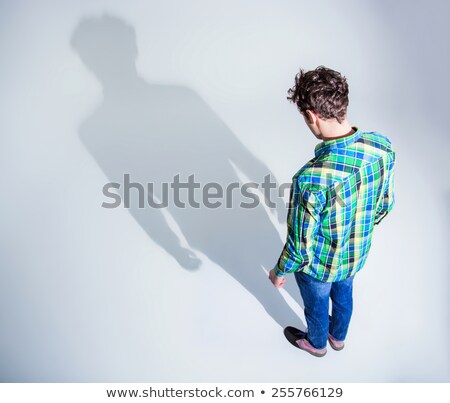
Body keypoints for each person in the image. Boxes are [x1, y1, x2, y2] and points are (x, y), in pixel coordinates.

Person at [268, 66, 396, 357]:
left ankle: (316, 343)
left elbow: (300, 249)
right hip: (356, 253)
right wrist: (357, 228)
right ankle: (338, 337)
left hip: (319, 267)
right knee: (344, 295)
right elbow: (385, 204)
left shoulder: (311, 179)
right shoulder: (382, 147)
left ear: (311, 116)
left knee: (316, 305)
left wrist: (278, 271)